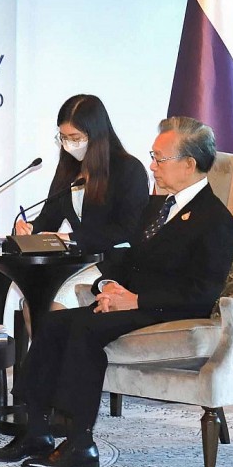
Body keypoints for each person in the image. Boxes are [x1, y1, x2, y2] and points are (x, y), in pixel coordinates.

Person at [0, 116, 233, 467]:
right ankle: (36, 431)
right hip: (128, 302)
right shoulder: (155, 207)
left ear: (189, 164)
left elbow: (203, 291)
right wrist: (107, 287)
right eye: (152, 155)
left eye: (159, 158)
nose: (152, 165)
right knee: (55, 323)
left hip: (169, 309)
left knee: (84, 332)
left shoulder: (216, 219)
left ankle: (80, 443)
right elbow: (121, 257)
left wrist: (135, 300)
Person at [15, 94, 149, 326]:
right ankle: (44, 362)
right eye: (63, 138)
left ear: (96, 135)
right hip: (76, 263)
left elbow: (127, 229)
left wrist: (70, 238)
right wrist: (29, 229)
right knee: (32, 305)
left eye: (75, 138)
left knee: (54, 308)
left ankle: (54, 362)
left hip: (113, 264)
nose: (68, 145)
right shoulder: (67, 169)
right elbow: (48, 219)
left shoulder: (128, 169)